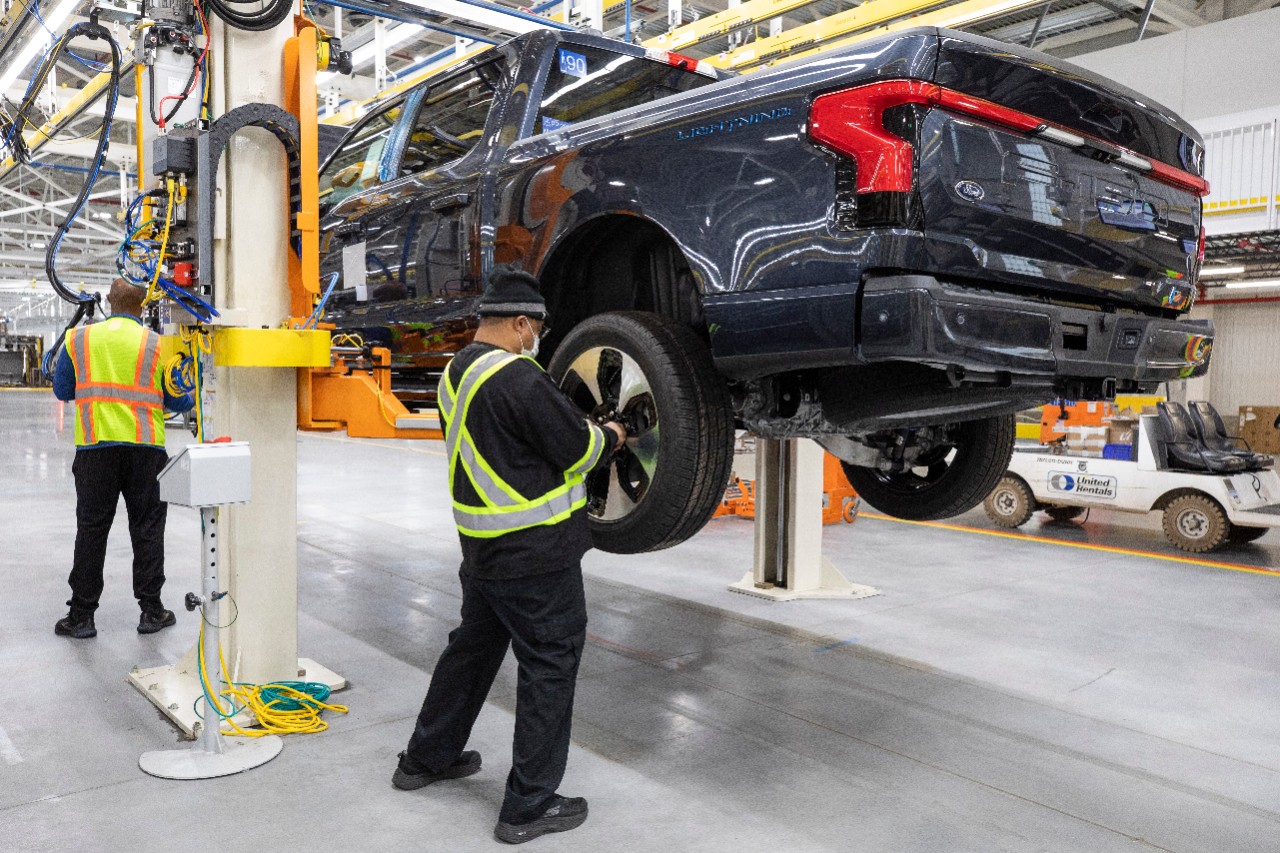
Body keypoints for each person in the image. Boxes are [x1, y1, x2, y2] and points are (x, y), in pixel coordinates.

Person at [393, 267, 626, 845]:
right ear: (522, 323)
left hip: (482, 550)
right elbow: (578, 450)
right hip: (537, 555)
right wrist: (614, 435)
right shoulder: (521, 378)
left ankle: (425, 758)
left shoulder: (457, 371)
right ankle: (529, 806)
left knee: (471, 651)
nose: (538, 338)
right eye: (537, 328)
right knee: (550, 664)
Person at [52, 279, 194, 639]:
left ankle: (82, 616)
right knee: (147, 529)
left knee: (92, 530)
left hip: (95, 449)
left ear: (110, 301)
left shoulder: (81, 339)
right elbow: (180, 401)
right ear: (144, 306)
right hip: (146, 451)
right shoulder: (157, 345)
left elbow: (62, 388)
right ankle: (151, 610)